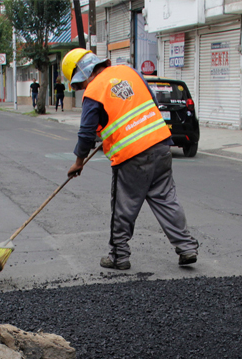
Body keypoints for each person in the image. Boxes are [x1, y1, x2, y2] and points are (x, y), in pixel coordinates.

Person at [61, 48, 198, 270]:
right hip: (161, 145)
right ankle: (186, 247)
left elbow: (86, 133)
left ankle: (119, 256)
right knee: (166, 199)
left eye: (78, 84)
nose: (81, 88)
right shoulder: (130, 72)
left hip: (132, 156)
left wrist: (78, 163)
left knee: (124, 206)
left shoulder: (94, 90)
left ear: (83, 73)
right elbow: (150, 103)